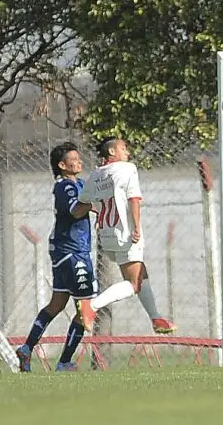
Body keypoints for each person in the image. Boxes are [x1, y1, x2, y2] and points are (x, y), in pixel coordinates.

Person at [76, 137, 175, 334]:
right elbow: (134, 198)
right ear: (112, 152)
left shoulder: (96, 174)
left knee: (139, 275)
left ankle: (155, 318)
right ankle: (91, 306)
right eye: (123, 148)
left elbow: (82, 204)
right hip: (126, 232)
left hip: (107, 233)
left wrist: (98, 212)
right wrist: (137, 226)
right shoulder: (127, 168)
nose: (127, 152)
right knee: (133, 283)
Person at [15, 142, 95, 372]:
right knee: (86, 308)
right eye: (74, 159)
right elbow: (76, 210)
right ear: (62, 165)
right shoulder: (65, 187)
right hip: (72, 252)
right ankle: (64, 362)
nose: (79, 161)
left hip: (66, 251)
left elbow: (90, 205)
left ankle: (26, 349)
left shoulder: (79, 183)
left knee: (57, 304)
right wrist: (94, 204)